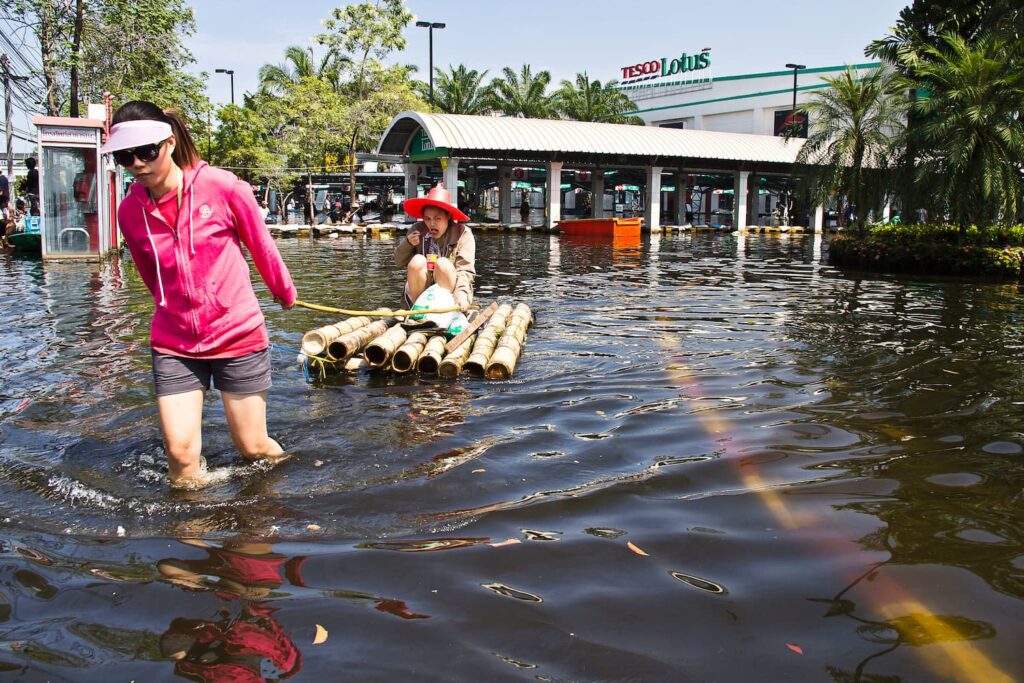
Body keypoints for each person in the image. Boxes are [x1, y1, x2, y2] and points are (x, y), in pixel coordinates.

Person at [102, 100, 297, 489]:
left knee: (253, 447)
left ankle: (285, 495)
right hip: (174, 341)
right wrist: (170, 306)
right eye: (126, 156)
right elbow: (147, 272)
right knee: (180, 456)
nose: (138, 163)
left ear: (169, 143)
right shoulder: (128, 212)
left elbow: (262, 246)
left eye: (146, 152)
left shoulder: (222, 187)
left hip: (236, 333)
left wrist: (283, 291)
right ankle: (195, 534)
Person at [395, 183, 475, 309]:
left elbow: (465, 270)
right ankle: (417, 310)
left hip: (450, 292)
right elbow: (398, 262)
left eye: (437, 218)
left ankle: (445, 310)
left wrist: (461, 295)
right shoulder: (417, 230)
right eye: (427, 219)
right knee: (417, 261)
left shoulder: (463, 234)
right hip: (421, 290)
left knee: (443, 263)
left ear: (448, 216)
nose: (432, 223)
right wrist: (408, 244)